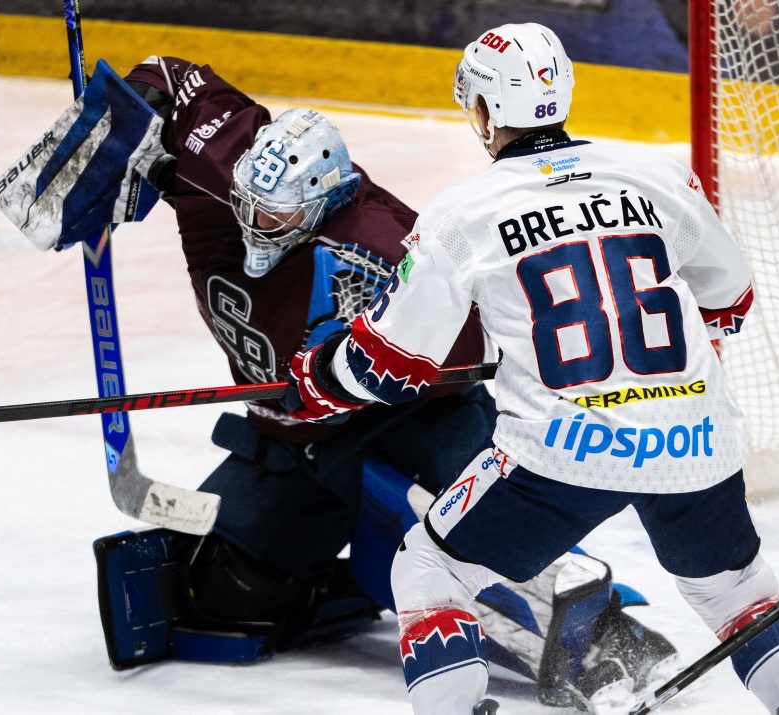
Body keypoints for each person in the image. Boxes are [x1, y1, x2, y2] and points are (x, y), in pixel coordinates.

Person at [97, 54, 683, 707]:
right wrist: (126, 119)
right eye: (248, 208)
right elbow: (178, 84)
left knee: (474, 532)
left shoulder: (383, 241)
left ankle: (602, 636)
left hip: (413, 419)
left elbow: (473, 339)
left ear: (322, 204)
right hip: (299, 445)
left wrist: (353, 370)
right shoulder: (225, 199)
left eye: (274, 218)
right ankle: (355, 581)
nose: (251, 226)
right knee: (224, 594)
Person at [282, 21, 779, 714]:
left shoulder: (464, 211)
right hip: (697, 437)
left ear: (484, 112)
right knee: (740, 595)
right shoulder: (657, 172)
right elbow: (731, 296)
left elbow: (390, 364)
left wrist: (318, 374)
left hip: (564, 452)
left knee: (428, 567)